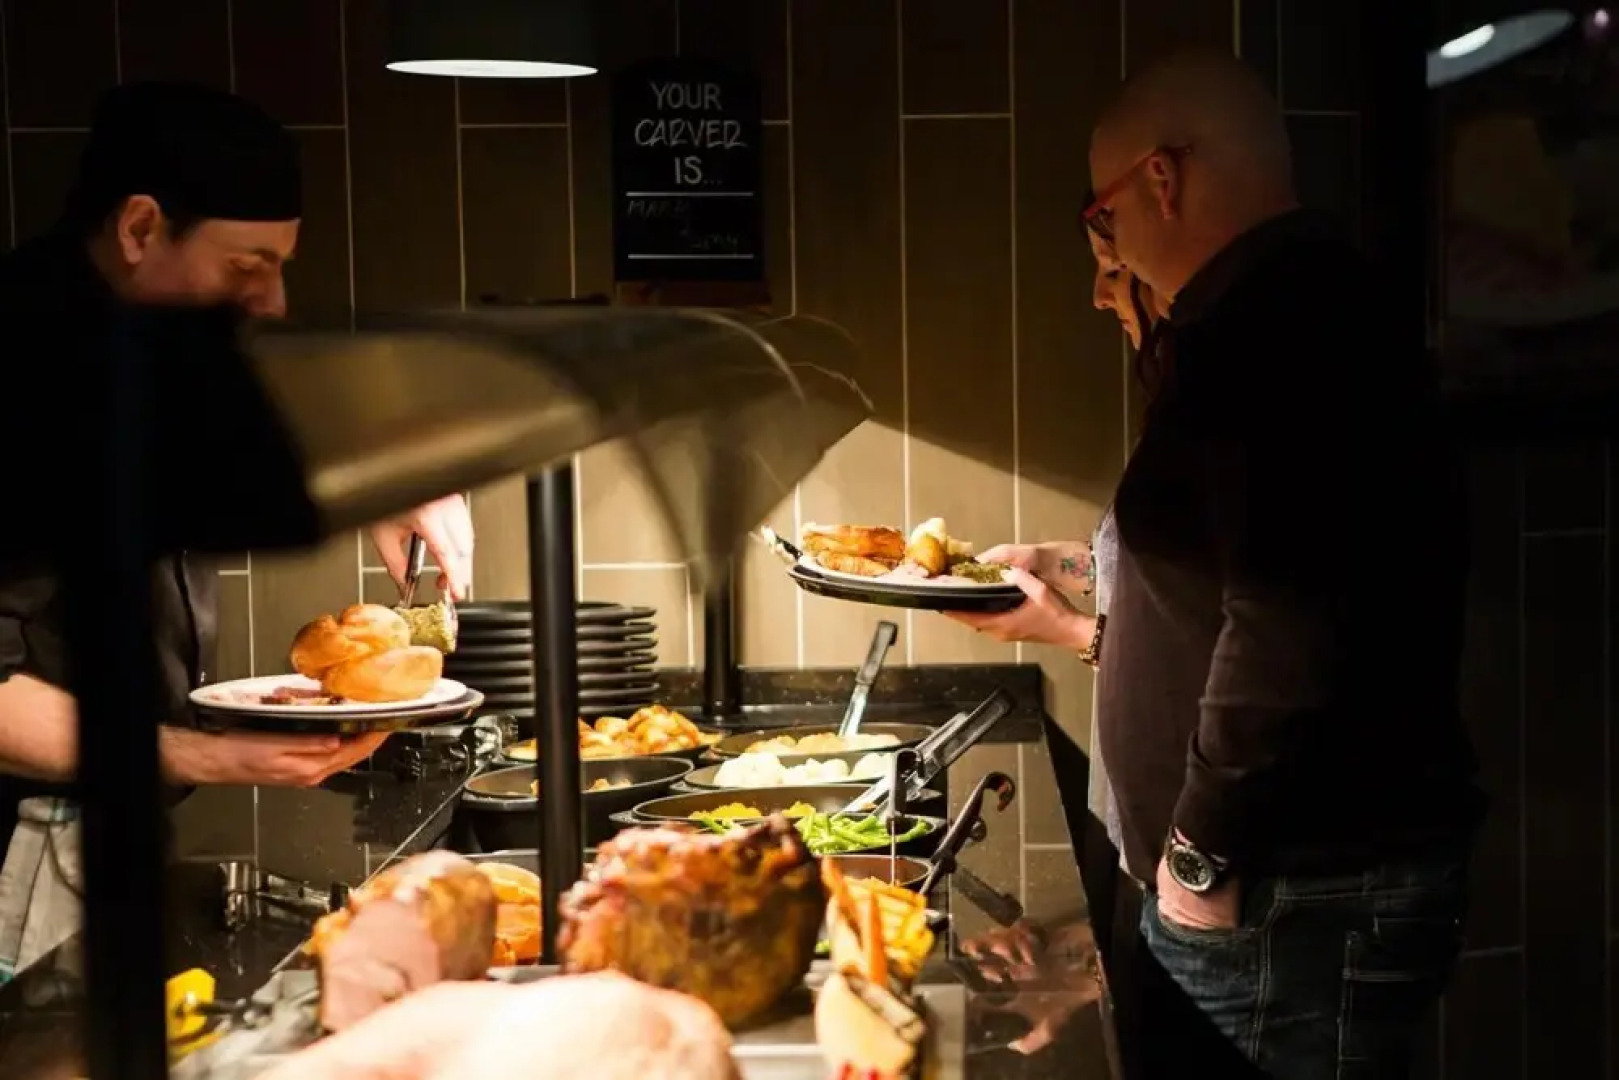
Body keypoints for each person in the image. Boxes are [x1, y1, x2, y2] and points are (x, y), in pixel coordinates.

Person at [952, 51, 1482, 1077]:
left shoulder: (1290, 326)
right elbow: (1211, 571)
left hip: (1291, 893)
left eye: (1098, 216)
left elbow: (1291, 622)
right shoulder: (1266, 316)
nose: (1101, 249)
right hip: (1271, 888)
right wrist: (1065, 574)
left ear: (1162, 178)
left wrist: (1197, 855)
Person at [0, 82, 476, 980]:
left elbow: (193, 459)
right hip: (16, 853)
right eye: (246, 266)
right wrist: (204, 754)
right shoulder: (23, 364)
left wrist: (377, 485)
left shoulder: (139, 342)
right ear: (141, 228)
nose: (272, 302)